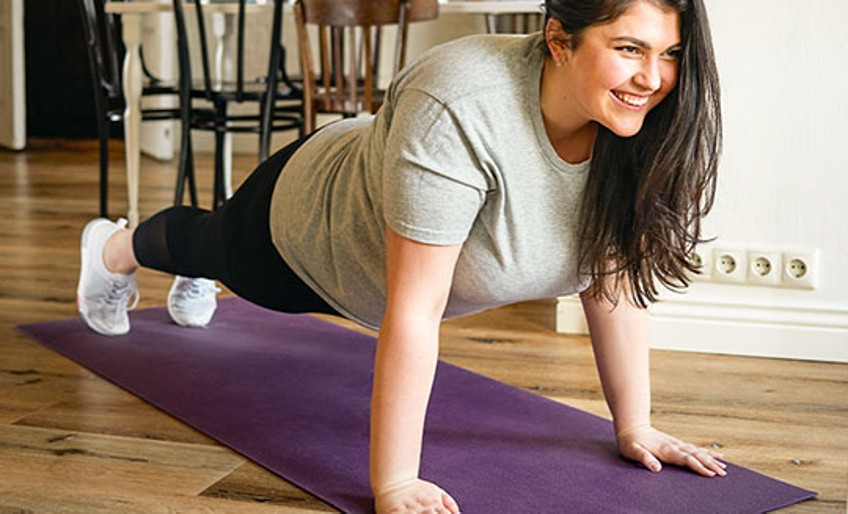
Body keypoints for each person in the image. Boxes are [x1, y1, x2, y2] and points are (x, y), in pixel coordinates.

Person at [76, 0, 726, 511]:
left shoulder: (635, 127)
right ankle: (115, 245)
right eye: (629, 49)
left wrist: (634, 426)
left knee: (209, 252)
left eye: (670, 53)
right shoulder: (465, 103)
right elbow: (414, 309)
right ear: (559, 40)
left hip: (394, 162)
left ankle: (186, 266)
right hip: (308, 227)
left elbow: (611, 283)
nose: (654, 77)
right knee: (211, 246)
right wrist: (395, 482)